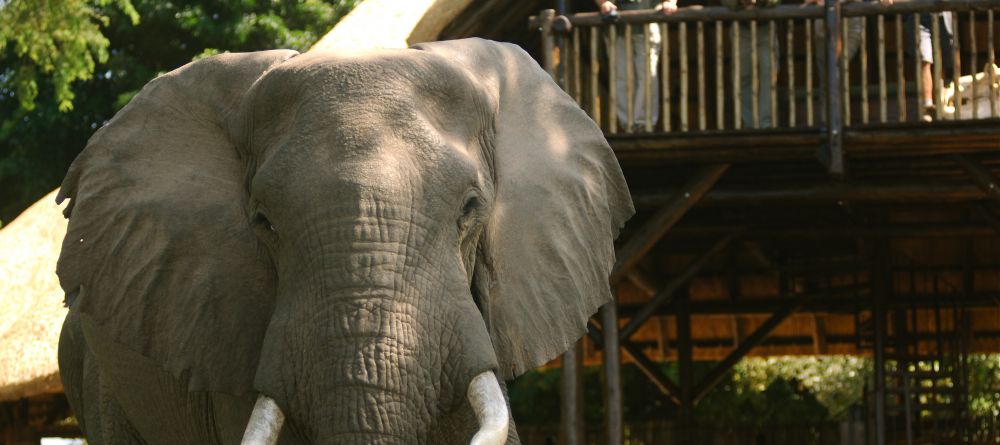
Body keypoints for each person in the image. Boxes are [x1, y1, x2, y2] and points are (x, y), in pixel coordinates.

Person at [596, 0, 678, 132]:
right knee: (621, 76)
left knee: (647, 75)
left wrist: (670, 2)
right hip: (616, 28)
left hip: (648, 24)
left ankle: (643, 124)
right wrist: (604, 2)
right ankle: (627, 124)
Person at [722, 0, 781, 129]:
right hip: (741, 28)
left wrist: (759, 2)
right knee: (741, 76)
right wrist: (740, 2)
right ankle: (749, 124)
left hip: (766, 28)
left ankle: (766, 124)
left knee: (769, 74)